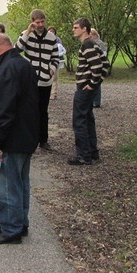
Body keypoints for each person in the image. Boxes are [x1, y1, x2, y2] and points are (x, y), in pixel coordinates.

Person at [0, 34, 39, 245]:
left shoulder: (7, 70)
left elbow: (3, 111)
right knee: (21, 183)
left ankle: (10, 229)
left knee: (7, 185)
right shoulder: (22, 65)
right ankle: (20, 224)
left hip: (11, 138)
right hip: (27, 135)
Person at [15, 9, 60, 151]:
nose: (40, 25)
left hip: (45, 80)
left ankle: (43, 140)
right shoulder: (27, 34)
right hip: (31, 80)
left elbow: (55, 57)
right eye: (37, 22)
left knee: (43, 111)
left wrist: (51, 70)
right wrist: (28, 32)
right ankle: (30, 140)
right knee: (29, 110)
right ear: (32, 22)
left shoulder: (51, 37)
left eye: (42, 22)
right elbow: (17, 49)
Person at [69, 18, 105, 165]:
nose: (73, 30)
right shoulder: (92, 44)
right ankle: (92, 152)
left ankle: (84, 155)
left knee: (79, 121)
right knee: (88, 119)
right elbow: (105, 64)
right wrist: (96, 83)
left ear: (84, 29)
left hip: (84, 89)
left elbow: (97, 66)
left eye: (76, 27)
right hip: (87, 89)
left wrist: (92, 84)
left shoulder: (87, 44)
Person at [90, 28, 107, 108]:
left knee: (97, 83)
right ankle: (92, 100)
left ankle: (96, 102)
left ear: (95, 35)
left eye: (91, 34)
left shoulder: (100, 43)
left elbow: (104, 54)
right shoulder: (90, 43)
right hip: (92, 65)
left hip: (98, 65)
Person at [48, 26, 67, 100]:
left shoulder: (58, 40)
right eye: (50, 31)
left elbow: (62, 50)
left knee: (54, 78)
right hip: (47, 61)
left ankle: (53, 94)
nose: (51, 32)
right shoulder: (45, 39)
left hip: (56, 61)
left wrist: (58, 54)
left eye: (52, 31)